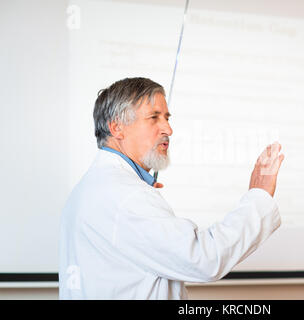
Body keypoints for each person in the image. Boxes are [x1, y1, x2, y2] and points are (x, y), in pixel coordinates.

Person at [58, 77, 285, 299]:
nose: (168, 129)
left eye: (166, 118)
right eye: (154, 118)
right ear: (117, 127)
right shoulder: (127, 196)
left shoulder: (95, 188)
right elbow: (204, 259)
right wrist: (259, 196)